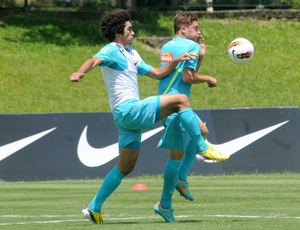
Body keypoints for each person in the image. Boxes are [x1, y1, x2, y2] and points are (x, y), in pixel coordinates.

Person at [69, 9, 229, 224]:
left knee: (125, 167)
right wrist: (80, 72)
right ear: (119, 32)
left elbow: (157, 73)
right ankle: (202, 146)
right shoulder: (112, 50)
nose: (133, 32)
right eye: (129, 29)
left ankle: (94, 207)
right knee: (181, 99)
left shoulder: (132, 54)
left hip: (125, 119)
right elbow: (93, 60)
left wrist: (175, 61)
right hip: (129, 110)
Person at [154, 12, 224, 222]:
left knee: (200, 132)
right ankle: (168, 198)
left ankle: (175, 188)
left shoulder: (167, 47)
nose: (199, 31)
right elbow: (188, 77)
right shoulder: (190, 47)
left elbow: (177, 74)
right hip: (177, 104)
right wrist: (208, 78)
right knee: (182, 150)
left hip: (165, 102)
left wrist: (201, 57)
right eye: (196, 28)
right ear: (183, 29)